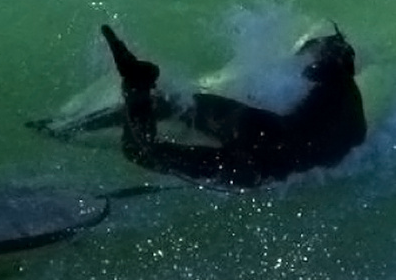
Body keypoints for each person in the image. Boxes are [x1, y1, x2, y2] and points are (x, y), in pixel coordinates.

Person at [56, 24, 366, 189]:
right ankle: (132, 90)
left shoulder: (317, 82)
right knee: (146, 148)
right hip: (271, 152)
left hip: (257, 144)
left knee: (176, 113)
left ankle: (124, 95)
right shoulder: (348, 105)